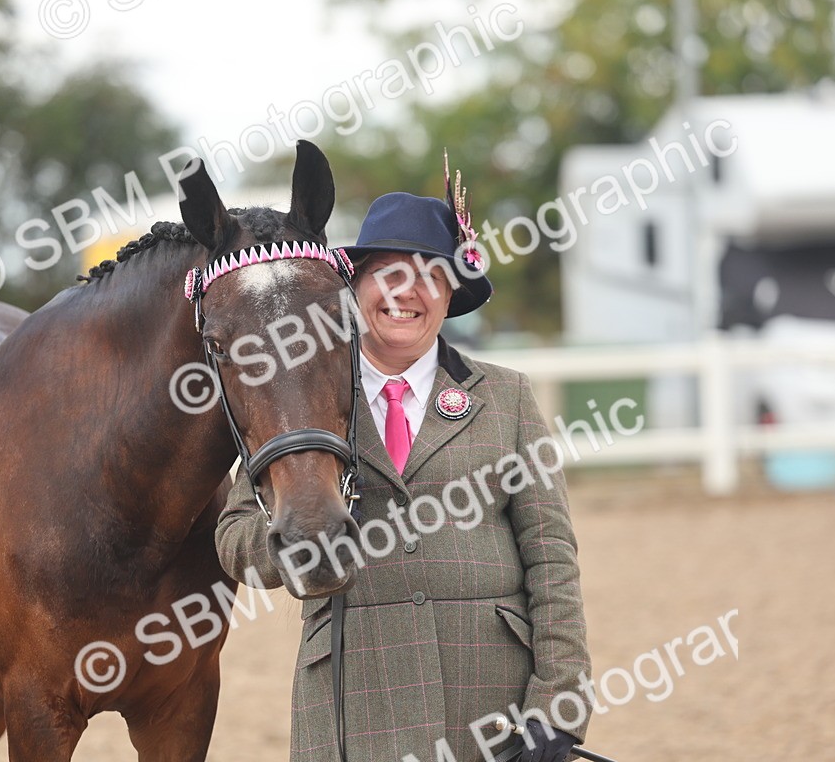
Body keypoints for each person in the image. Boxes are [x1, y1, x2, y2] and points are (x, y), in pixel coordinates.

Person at [216, 166, 592, 762]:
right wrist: (290, 544)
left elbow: (552, 561)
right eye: (387, 273)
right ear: (356, 287)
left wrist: (559, 706)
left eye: (429, 276)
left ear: (450, 294)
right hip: (352, 698)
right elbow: (234, 536)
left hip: (490, 701)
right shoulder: (300, 392)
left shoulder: (509, 398)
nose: (406, 292)